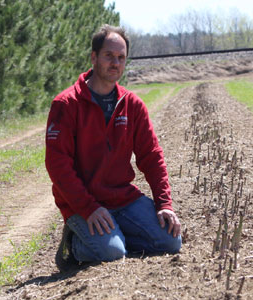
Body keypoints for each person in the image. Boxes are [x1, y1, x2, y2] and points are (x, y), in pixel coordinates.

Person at [45, 24, 181, 272]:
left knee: (170, 241)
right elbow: (58, 165)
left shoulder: (132, 105)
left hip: (123, 199)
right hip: (82, 204)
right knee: (111, 253)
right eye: (109, 56)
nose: (115, 63)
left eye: (121, 58)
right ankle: (74, 242)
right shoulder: (66, 105)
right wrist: (88, 208)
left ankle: (114, 234)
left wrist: (164, 204)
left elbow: (151, 156)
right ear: (94, 57)